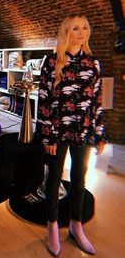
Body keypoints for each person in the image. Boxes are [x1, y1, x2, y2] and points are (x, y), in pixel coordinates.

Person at [36, 14, 106, 256]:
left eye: (85, 27)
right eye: (75, 28)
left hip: (84, 130)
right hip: (57, 130)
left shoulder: (93, 64)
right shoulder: (52, 62)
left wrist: (99, 134)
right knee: (54, 178)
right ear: (66, 32)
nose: (81, 32)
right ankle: (52, 226)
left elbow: (98, 102)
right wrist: (48, 136)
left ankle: (76, 225)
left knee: (79, 179)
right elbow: (44, 101)